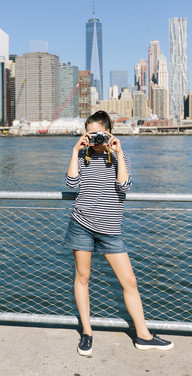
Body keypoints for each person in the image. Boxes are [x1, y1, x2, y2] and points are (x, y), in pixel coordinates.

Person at [64, 110, 173, 355]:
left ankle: (143, 335)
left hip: (110, 229)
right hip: (81, 223)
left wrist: (119, 152)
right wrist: (75, 150)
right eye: (90, 134)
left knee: (129, 281)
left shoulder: (119, 156)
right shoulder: (83, 155)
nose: (94, 139)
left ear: (109, 132)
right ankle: (87, 333)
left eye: (98, 134)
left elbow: (124, 185)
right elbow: (71, 183)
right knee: (82, 278)